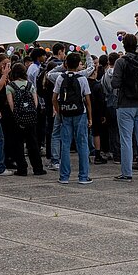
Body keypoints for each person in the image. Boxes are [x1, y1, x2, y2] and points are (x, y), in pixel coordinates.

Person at [112, 34, 138, 182]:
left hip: (125, 104)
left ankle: (126, 173)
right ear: (137, 44)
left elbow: (115, 83)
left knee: (126, 139)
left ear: (123, 45)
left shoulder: (121, 62)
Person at [52, 52, 93, 184]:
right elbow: (87, 100)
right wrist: (90, 118)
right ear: (78, 65)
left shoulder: (60, 78)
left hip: (65, 113)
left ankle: (64, 176)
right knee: (82, 144)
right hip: (80, 113)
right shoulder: (82, 79)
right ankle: (83, 176)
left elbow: (54, 98)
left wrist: (59, 112)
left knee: (65, 144)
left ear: (66, 64)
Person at [7, 62, 44, 176]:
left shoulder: (10, 86)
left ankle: (22, 168)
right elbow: (36, 103)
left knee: (18, 144)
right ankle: (38, 168)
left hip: (17, 120)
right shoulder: (30, 85)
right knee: (33, 143)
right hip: (31, 118)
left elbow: (11, 105)